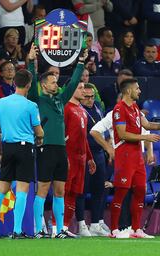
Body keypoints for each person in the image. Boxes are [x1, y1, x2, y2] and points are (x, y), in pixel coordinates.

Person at [27, 45, 87, 238]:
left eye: (57, 82)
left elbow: (74, 82)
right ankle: (38, 229)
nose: (57, 85)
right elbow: (32, 79)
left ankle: (59, 229)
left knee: (60, 189)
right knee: (43, 188)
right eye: (53, 82)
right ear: (44, 85)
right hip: (45, 148)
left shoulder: (61, 99)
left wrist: (80, 63)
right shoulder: (37, 99)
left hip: (62, 149)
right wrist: (30, 61)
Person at [0, 69, 44, 239]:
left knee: (1, 187)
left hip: (7, 147)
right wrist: (39, 137)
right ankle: (17, 230)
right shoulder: (31, 106)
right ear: (29, 85)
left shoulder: (1, 102)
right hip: (25, 149)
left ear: (14, 82)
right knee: (22, 188)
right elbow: (39, 132)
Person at [110, 78, 160, 239]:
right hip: (125, 154)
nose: (139, 91)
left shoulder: (135, 107)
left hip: (137, 156)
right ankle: (114, 230)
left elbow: (147, 125)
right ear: (128, 91)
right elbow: (122, 134)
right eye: (137, 88)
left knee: (141, 190)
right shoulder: (119, 109)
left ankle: (136, 229)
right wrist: (145, 138)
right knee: (121, 191)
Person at [63, 82, 96, 236]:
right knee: (64, 191)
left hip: (81, 159)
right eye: (80, 88)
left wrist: (89, 157)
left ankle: (65, 227)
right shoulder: (66, 108)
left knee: (74, 193)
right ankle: (56, 226)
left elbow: (84, 138)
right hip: (69, 157)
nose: (83, 91)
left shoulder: (82, 110)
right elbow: (61, 135)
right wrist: (64, 156)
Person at [75, 84, 109, 237]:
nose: (89, 100)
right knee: (81, 190)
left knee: (99, 189)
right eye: (86, 97)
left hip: (99, 153)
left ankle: (96, 223)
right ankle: (81, 224)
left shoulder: (97, 108)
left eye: (92, 96)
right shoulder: (78, 111)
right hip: (84, 155)